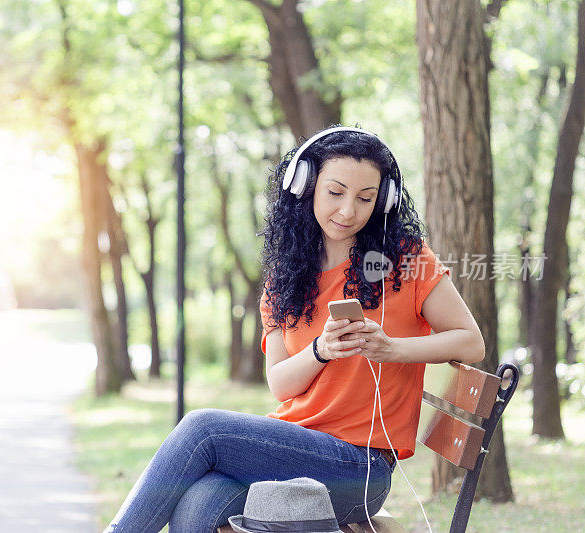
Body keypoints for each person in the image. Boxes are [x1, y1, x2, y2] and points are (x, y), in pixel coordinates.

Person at [104, 126, 485, 533]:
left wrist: (392, 349)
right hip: (291, 448)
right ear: (306, 187)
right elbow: (282, 386)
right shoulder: (285, 279)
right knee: (200, 502)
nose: (348, 211)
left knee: (203, 429)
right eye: (335, 193)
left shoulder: (406, 261)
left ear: (384, 200)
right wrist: (320, 350)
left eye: (365, 199)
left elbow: (471, 343)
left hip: (360, 470)